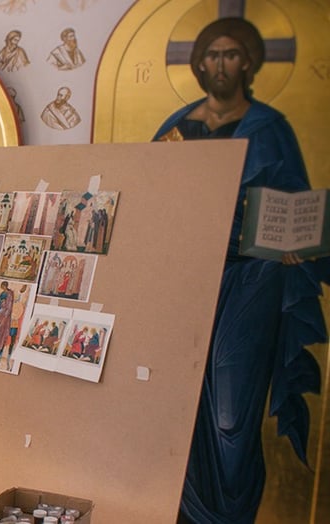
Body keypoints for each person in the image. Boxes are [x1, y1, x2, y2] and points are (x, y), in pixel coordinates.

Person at [153, 18, 330, 523]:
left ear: (248, 63)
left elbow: (297, 207)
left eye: (231, 55)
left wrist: (297, 244)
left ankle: (229, 516)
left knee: (231, 416)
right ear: (199, 64)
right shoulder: (177, 128)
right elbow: (151, 195)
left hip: (251, 282)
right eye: (211, 55)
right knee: (177, 405)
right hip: (186, 280)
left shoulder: (270, 130)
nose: (220, 65)